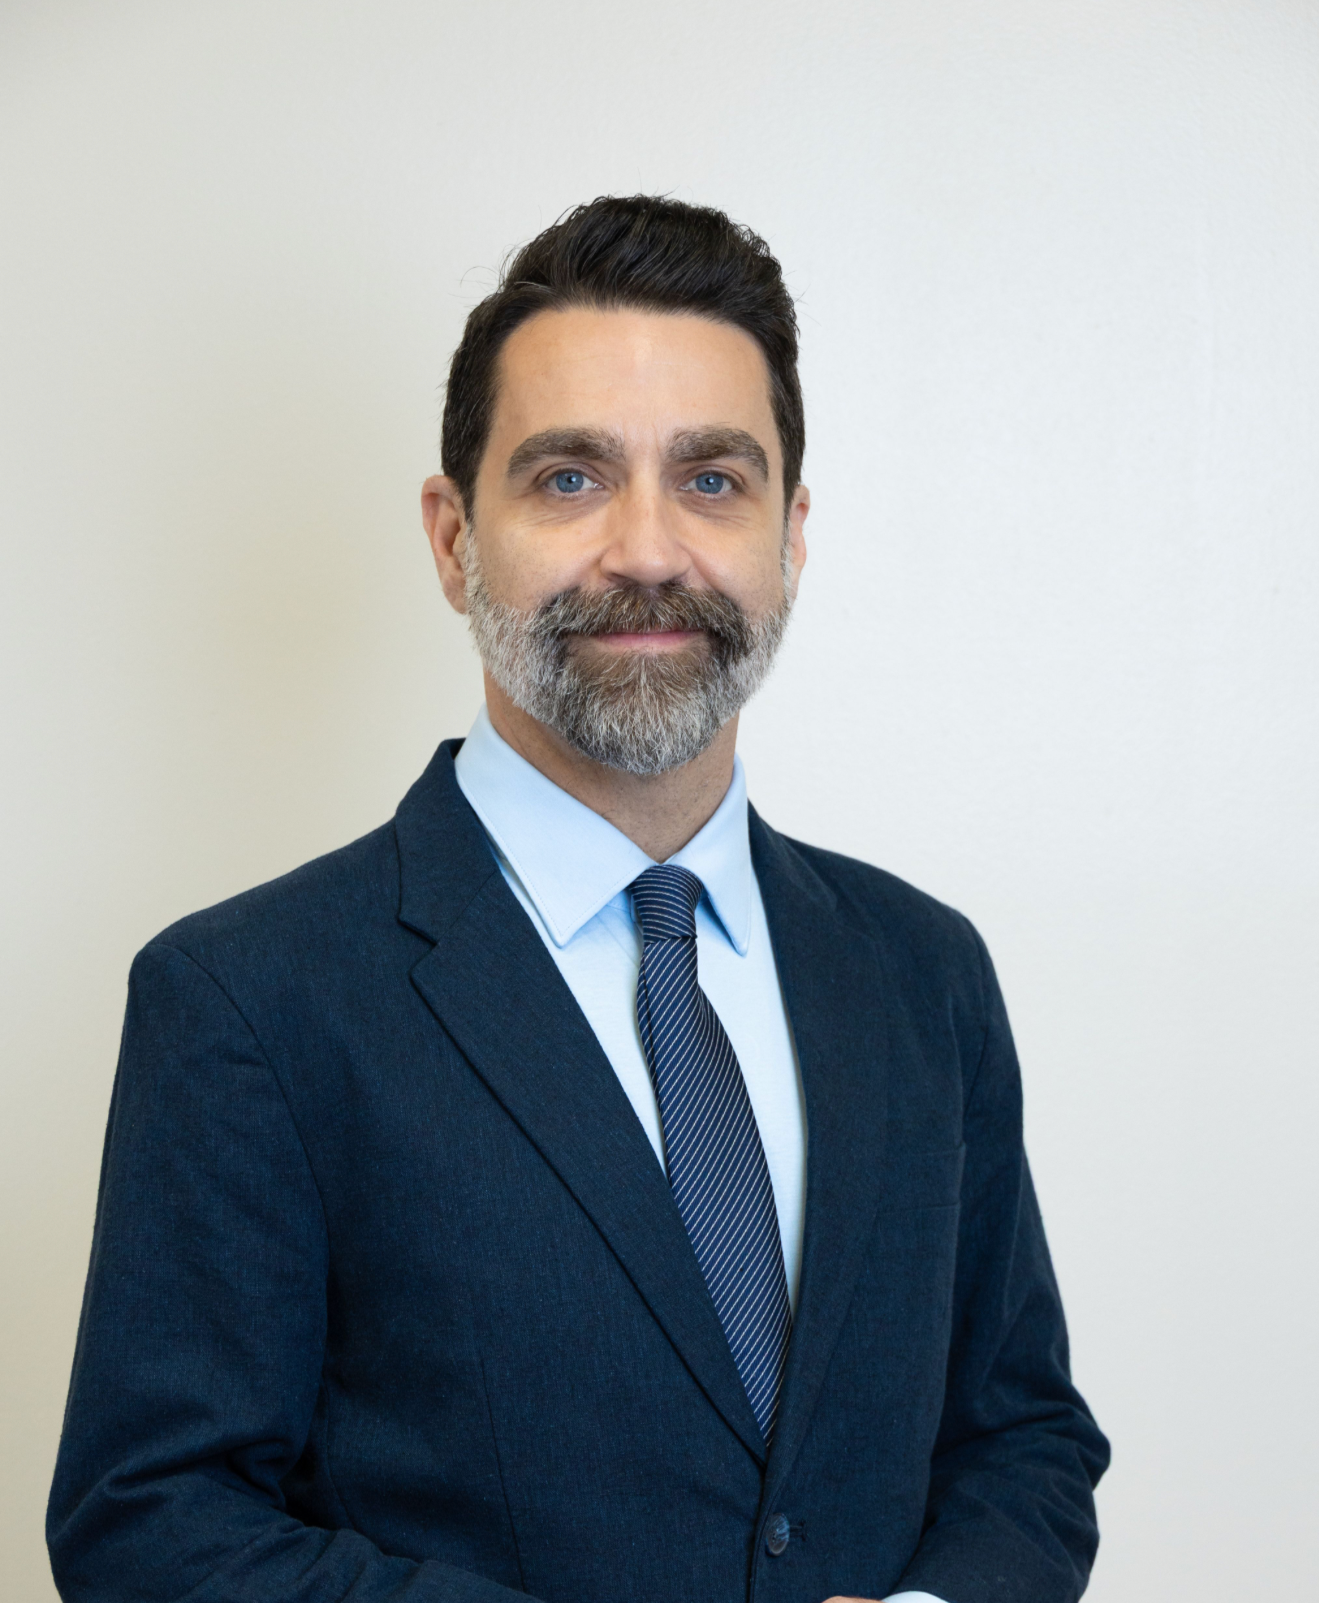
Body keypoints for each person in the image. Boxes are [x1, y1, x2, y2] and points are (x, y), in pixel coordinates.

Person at [47, 195, 1109, 1603]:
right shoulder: (250, 998)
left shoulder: (921, 971)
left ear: (791, 536)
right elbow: (152, 1524)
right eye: (568, 478)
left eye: (712, 479)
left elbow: (1022, 1436)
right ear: (450, 537)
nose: (649, 550)